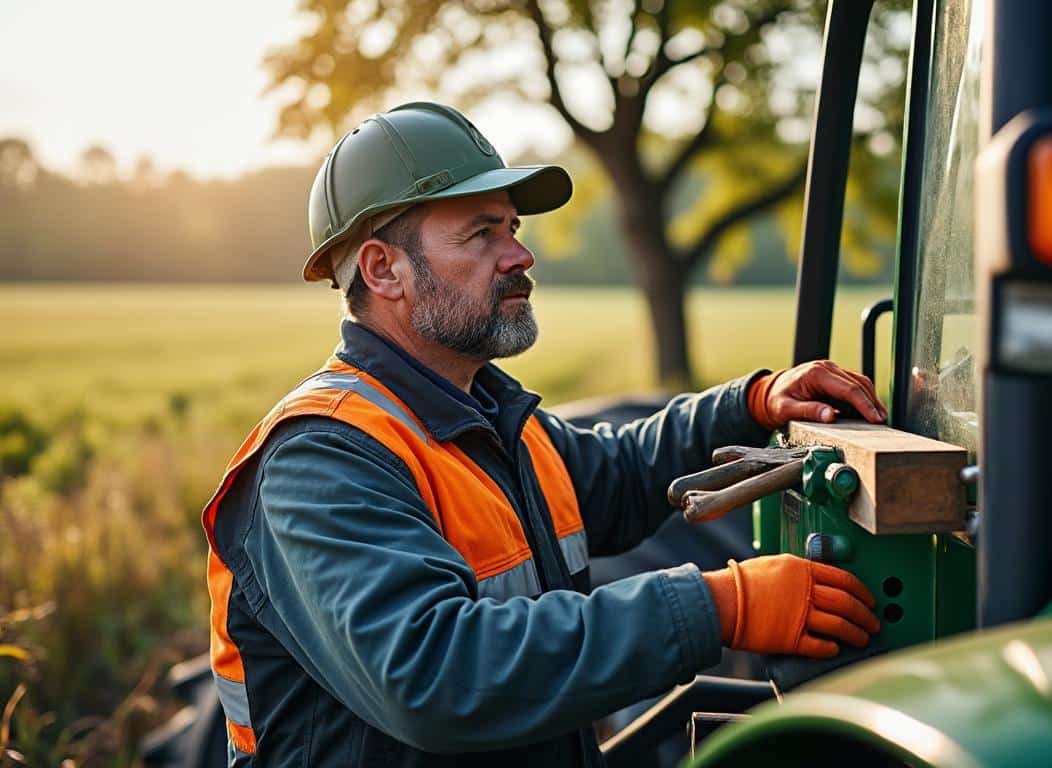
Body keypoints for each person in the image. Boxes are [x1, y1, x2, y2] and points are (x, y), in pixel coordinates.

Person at [202, 101, 887, 767]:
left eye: (513, 228)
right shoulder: (322, 458)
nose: (520, 255)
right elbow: (435, 672)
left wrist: (754, 401)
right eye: (482, 233)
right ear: (385, 270)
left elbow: (621, 474)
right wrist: (720, 606)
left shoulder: (492, 421)